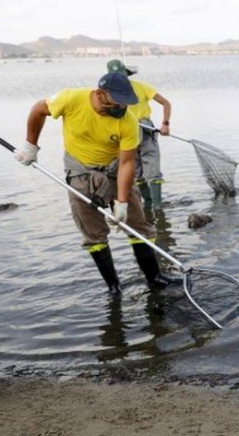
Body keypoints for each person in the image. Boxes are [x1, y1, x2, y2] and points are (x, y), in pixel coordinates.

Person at [14, 72, 174, 295]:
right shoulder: (71, 99)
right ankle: (113, 287)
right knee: (93, 233)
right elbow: (38, 110)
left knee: (138, 224)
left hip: (114, 168)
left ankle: (154, 278)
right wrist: (31, 146)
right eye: (117, 102)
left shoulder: (128, 121)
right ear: (100, 94)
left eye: (125, 103)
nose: (121, 108)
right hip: (80, 172)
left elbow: (127, 163)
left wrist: (121, 202)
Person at [106, 59, 172, 209]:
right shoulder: (107, 92)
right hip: (124, 132)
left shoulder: (141, 87)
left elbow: (166, 103)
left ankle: (158, 208)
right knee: (135, 171)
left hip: (145, 129)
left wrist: (165, 124)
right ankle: (147, 203)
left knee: (153, 170)